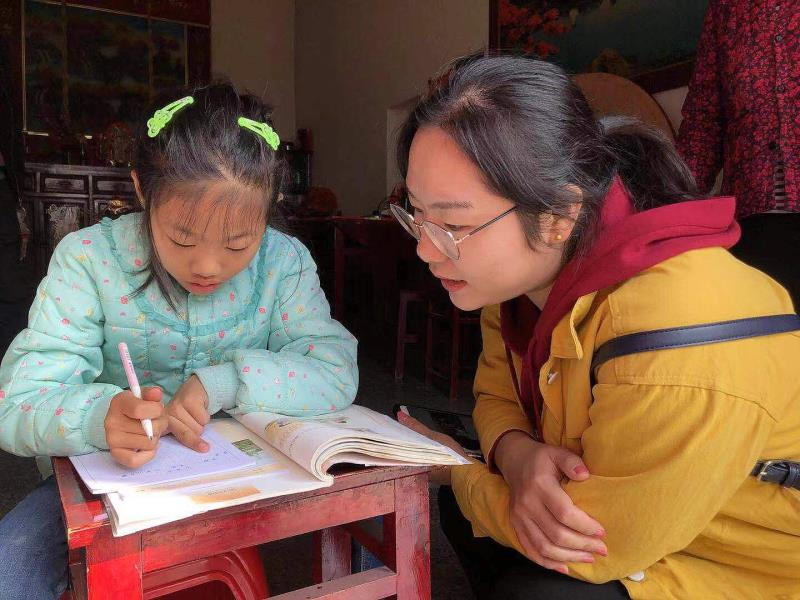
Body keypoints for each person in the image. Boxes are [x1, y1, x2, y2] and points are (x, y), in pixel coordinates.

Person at [390, 54, 800, 599]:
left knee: (536, 583)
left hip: (738, 560)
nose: (424, 248)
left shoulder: (679, 332)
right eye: (416, 213)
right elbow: (494, 393)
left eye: (455, 224)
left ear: (559, 215)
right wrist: (516, 455)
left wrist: (454, 471)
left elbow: (597, 545)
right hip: (647, 519)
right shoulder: (519, 281)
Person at [0, 83, 358, 599]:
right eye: (183, 239)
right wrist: (102, 417)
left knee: (366, 520)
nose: (208, 266)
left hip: (243, 473)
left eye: (239, 244)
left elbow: (335, 368)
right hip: (111, 485)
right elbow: (18, 403)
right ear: (142, 190)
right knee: (9, 571)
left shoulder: (283, 262)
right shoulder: (88, 260)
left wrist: (226, 381)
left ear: (268, 210)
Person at [677, 0, 799, 309]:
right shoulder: (727, 9)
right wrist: (671, 210)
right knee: (774, 342)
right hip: (759, 223)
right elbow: (703, 122)